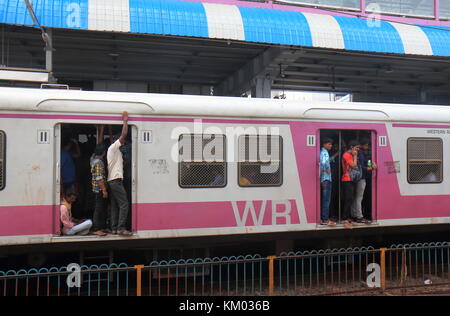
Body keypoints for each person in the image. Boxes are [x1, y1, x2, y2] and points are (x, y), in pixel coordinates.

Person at [107, 112, 133, 237]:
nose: (123, 142)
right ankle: (121, 228)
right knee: (124, 204)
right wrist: (125, 121)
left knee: (115, 205)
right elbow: (123, 135)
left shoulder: (115, 152)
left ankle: (114, 228)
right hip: (116, 181)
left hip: (113, 181)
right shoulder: (113, 148)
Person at [352, 139, 378, 223]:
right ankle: (359, 216)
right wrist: (368, 168)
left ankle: (354, 214)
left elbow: (366, 163)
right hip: (360, 177)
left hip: (360, 177)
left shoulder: (364, 154)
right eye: (366, 145)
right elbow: (359, 166)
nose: (367, 147)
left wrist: (369, 166)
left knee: (356, 197)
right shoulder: (359, 154)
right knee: (359, 197)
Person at [90, 140, 108, 237]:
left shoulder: (92, 159)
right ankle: (96, 229)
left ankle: (101, 227)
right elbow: (99, 177)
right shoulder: (99, 163)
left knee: (99, 208)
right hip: (99, 189)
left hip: (95, 188)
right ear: (104, 153)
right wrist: (104, 190)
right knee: (98, 209)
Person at [341, 140, 360, 229]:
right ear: (352, 147)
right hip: (347, 179)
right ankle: (344, 218)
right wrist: (355, 156)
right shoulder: (346, 155)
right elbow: (353, 165)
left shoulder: (350, 155)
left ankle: (348, 218)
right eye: (356, 148)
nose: (358, 150)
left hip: (351, 179)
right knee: (348, 198)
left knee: (351, 198)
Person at [320, 138, 336, 226]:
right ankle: (325, 219)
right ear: (324, 144)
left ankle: (324, 218)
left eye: (331, 144)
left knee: (325, 199)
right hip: (326, 179)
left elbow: (327, 160)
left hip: (323, 179)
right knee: (326, 200)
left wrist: (335, 155)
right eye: (329, 144)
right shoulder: (324, 152)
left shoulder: (323, 152)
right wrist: (328, 170)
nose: (331, 146)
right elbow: (325, 162)